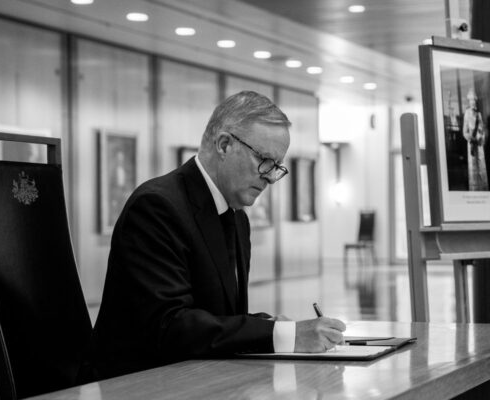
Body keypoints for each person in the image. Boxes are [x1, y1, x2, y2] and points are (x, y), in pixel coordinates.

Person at [91, 91, 346, 379]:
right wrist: (282, 335)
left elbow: (217, 318)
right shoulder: (157, 206)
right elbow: (169, 325)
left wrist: (269, 325)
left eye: (276, 167)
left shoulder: (237, 217)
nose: (269, 177)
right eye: (264, 161)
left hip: (201, 378)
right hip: (137, 384)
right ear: (224, 144)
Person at [462, 88, 489, 191]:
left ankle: (483, 189)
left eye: (474, 100)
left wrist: (482, 137)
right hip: (472, 145)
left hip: (479, 145)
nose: (473, 102)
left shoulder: (479, 114)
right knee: (473, 166)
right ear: (469, 101)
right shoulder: (467, 113)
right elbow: (464, 132)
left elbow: (482, 129)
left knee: (481, 166)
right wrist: (471, 138)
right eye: (471, 100)